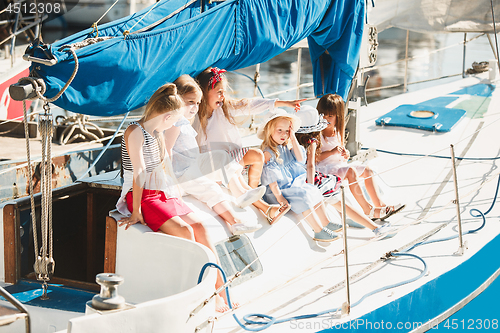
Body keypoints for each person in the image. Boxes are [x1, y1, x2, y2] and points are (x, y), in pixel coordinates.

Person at [115, 83, 234, 312]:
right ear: (167, 116)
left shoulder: (156, 133)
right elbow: (138, 174)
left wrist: (175, 194)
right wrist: (136, 212)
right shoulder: (135, 131)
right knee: (185, 232)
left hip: (160, 193)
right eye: (174, 119)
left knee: (200, 226)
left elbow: (163, 168)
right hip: (140, 196)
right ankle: (206, 296)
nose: (175, 125)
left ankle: (222, 289)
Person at [193, 67, 304, 224]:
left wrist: (283, 102)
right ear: (204, 92)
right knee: (229, 163)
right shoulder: (195, 118)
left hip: (232, 157)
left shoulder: (225, 108)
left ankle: (251, 192)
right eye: (219, 92)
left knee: (257, 155)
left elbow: (250, 105)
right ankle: (259, 204)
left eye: (224, 91)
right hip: (216, 163)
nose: (223, 96)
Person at [164, 75, 265, 235]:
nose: (195, 107)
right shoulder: (174, 122)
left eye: (197, 103)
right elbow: (166, 150)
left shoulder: (184, 120)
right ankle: (235, 222)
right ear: (176, 99)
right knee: (211, 189)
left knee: (221, 156)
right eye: (190, 102)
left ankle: (240, 192)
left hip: (192, 163)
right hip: (181, 172)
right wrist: (171, 181)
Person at [295, 106, 397, 238]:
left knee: (338, 201)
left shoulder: (296, 141)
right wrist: (311, 185)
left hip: (298, 178)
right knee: (339, 202)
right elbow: (310, 166)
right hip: (310, 179)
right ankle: (375, 228)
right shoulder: (312, 142)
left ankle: (372, 226)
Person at [316, 94, 405, 221]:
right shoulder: (317, 134)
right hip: (325, 171)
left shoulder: (337, 132)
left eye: (330, 116)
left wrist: (345, 154)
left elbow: (340, 157)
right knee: (351, 172)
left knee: (367, 170)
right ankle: (367, 210)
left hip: (338, 167)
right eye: (323, 115)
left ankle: (380, 205)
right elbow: (314, 158)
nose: (326, 119)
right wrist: (332, 152)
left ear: (338, 117)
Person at [257, 108, 341, 242]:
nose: (283, 134)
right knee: (303, 195)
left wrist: (293, 137)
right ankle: (318, 230)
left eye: (286, 131)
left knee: (312, 188)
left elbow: (301, 157)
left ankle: (325, 222)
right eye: (280, 130)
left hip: (291, 184)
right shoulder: (269, 152)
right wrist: (279, 197)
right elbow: (271, 179)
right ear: (269, 130)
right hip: (278, 192)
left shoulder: (284, 146)